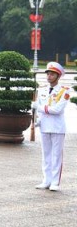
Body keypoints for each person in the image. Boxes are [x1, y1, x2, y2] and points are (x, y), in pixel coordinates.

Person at [34, 61, 71, 191]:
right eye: (48, 73)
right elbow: (39, 112)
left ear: (58, 76)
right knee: (46, 155)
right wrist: (37, 121)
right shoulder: (42, 90)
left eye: (52, 74)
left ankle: (55, 182)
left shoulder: (64, 91)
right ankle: (46, 180)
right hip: (44, 126)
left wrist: (38, 107)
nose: (49, 76)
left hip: (57, 127)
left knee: (56, 156)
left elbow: (57, 110)